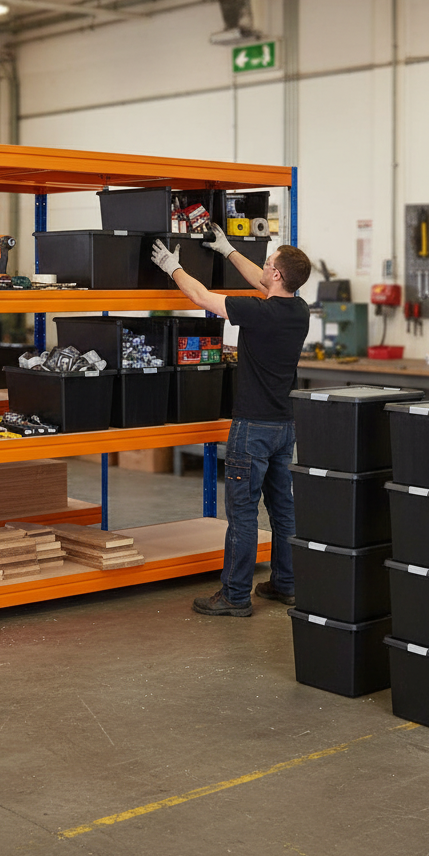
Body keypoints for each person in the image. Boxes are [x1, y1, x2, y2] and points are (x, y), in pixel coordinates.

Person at [150, 223, 311, 617]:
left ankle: (235, 596)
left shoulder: (257, 312)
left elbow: (201, 296)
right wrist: (226, 250)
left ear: (277, 274)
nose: (264, 267)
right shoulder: (298, 310)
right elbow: (260, 279)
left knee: (242, 515)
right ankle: (286, 585)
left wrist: (172, 267)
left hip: (252, 428)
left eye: (269, 263)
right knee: (283, 511)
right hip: (284, 426)